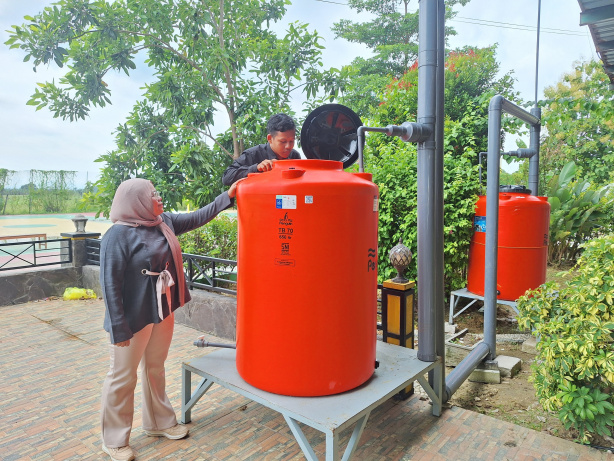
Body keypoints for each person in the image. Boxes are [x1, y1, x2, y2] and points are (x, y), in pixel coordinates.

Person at [99, 177, 241, 461]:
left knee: (155, 368)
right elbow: (109, 285)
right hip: (132, 317)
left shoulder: (162, 222)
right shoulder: (117, 235)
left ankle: (158, 423)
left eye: (157, 193)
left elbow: (198, 216)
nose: (159, 198)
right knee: (122, 377)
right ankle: (114, 440)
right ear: (137, 201)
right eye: (153, 194)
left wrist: (228, 195)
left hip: (162, 309)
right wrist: (118, 328)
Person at [221, 113, 302, 185]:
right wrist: (256, 168)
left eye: (291, 141)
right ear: (270, 138)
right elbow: (227, 177)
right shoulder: (252, 154)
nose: (288, 146)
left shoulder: (294, 156)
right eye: (283, 141)